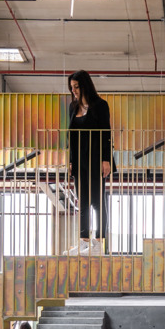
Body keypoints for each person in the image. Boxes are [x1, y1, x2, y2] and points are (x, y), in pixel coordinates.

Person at [66, 69, 113, 251]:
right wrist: (71, 161)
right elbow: (71, 137)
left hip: (96, 158)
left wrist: (106, 159)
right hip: (79, 159)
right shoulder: (73, 107)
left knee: (97, 201)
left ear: (85, 86)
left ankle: (99, 242)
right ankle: (84, 241)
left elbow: (106, 133)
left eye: (76, 87)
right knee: (82, 200)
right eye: (72, 87)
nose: (74, 90)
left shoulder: (100, 105)